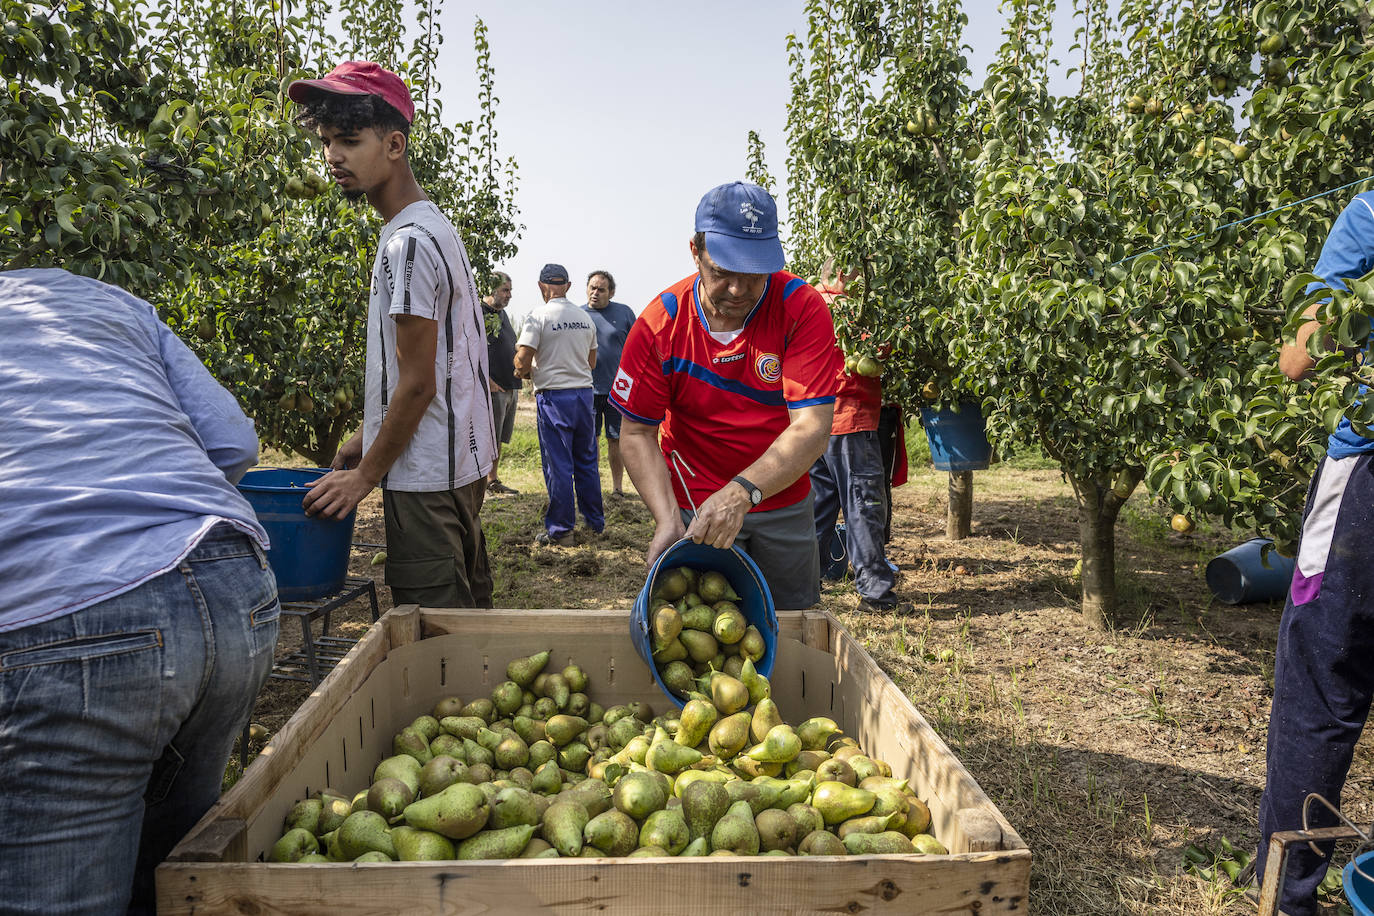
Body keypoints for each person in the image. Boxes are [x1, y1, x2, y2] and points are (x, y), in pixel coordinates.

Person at [0, 268, 279, 916]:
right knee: (173, 876)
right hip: (233, 585)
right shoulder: (100, 299)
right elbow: (234, 442)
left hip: (74, 622)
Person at [289, 60, 496, 608]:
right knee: (468, 618)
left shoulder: (406, 244)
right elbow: (450, 358)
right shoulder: (435, 226)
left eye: (350, 140)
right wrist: (370, 431)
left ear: (395, 144)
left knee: (437, 638)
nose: (333, 156)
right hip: (456, 463)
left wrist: (365, 478)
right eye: (328, 141)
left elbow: (417, 384)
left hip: (425, 476)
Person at [612, 181, 843, 610]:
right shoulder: (661, 324)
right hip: (695, 509)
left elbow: (812, 427)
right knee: (699, 631)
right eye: (722, 272)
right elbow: (637, 432)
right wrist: (666, 519)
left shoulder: (801, 308)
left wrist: (741, 494)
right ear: (695, 252)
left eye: (755, 275)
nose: (738, 290)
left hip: (781, 500)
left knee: (790, 626)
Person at [1253, 189, 1374, 916]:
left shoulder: (1369, 214)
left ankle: (1285, 894)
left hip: (1366, 482)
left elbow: (1296, 362)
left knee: (1321, 686)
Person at [809, 261, 903, 611]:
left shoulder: (809, 303)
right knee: (864, 506)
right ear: (845, 275)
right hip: (852, 420)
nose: (864, 282)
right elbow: (879, 352)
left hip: (814, 424)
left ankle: (806, 584)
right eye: (860, 276)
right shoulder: (854, 312)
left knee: (818, 507)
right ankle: (875, 595)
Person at [515, 263, 604, 546]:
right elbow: (591, 363)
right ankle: (594, 523)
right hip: (583, 395)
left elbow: (521, 361)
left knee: (559, 464)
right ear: (567, 286)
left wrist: (525, 371)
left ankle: (562, 530)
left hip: (554, 397)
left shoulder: (537, 316)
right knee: (587, 461)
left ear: (542, 287)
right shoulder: (584, 317)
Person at [582, 269, 638, 498]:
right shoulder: (578, 315)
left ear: (611, 292)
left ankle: (617, 488)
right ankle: (593, 487)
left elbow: (637, 347)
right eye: (592, 288)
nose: (595, 293)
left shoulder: (624, 313)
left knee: (616, 439)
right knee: (590, 441)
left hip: (619, 390)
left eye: (601, 289)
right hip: (587, 388)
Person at [484, 271, 521, 496]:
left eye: (510, 291)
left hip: (510, 387)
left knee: (498, 439)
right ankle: (482, 483)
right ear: (492, 289)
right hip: (493, 387)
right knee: (488, 437)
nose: (508, 295)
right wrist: (486, 381)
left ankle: (493, 480)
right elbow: (470, 350)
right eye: (505, 290)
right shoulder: (479, 312)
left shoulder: (503, 315)